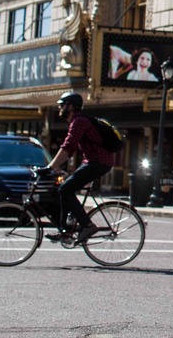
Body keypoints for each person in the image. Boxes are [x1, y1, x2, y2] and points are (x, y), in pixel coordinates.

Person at [45, 92, 116, 244]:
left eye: (62, 105)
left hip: (98, 162)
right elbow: (69, 151)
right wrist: (54, 167)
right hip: (93, 161)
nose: (59, 108)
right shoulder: (78, 121)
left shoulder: (79, 121)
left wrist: (49, 168)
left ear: (70, 106)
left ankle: (87, 225)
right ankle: (65, 230)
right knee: (65, 187)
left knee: (65, 189)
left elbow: (68, 146)